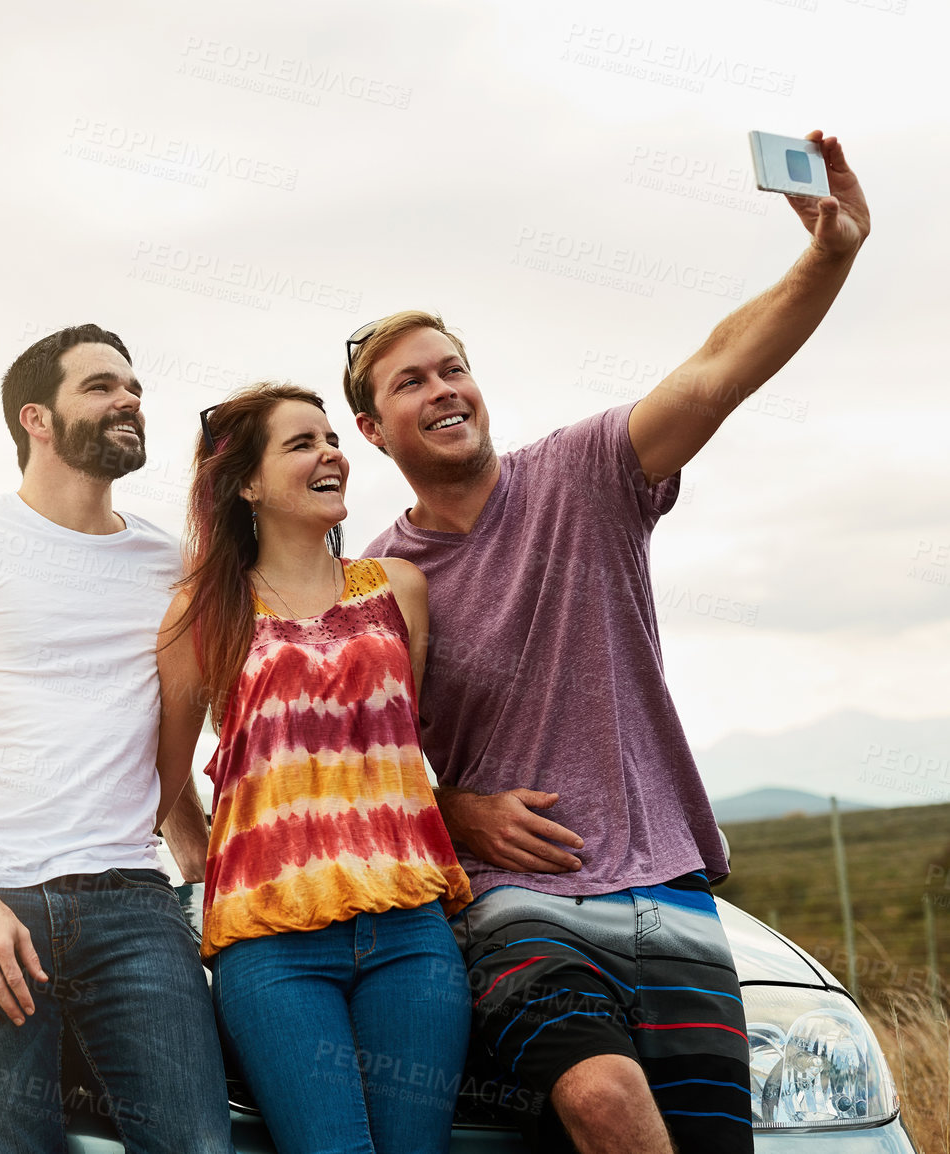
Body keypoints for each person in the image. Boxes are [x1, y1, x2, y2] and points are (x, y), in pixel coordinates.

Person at [342, 131, 870, 1153]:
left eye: (453, 367)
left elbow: (714, 373)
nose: (443, 388)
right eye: (410, 382)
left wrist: (829, 254)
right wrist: (453, 809)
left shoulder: (584, 474)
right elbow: (349, 764)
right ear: (371, 427)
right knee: (599, 1098)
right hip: (518, 894)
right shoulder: (376, 579)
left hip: (667, 884)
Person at [0, 324, 232, 1154]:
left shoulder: (171, 564)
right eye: (102, 386)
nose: (130, 401)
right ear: (35, 419)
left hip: (131, 903)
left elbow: (159, 725)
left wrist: (197, 847)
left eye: (135, 388)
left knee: (199, 1148)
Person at [156, 382, 474, 1154]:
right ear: (245, 484)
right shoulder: (204, 611)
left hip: (410, 932)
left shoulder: (399, 589)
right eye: (300, 444)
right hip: (272, 944)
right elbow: (164, 782)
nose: (329, 453)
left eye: (330, 439)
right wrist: (210, 868)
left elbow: (401, 746)